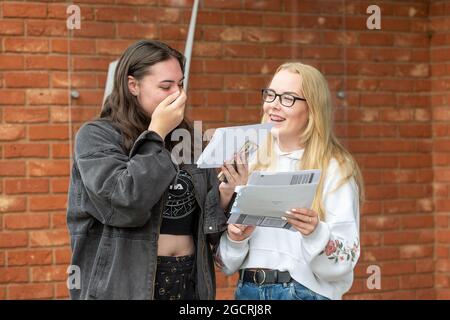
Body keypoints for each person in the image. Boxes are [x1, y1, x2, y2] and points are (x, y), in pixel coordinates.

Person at [66, 40, 228, 300]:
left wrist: (228, 191)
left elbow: (211, 224)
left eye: (181, 84)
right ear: (133, 85)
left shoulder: (190, 138)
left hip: (188, 280)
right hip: (125, 285)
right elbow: (125, 200)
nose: (178, 94)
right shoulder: (97, 135)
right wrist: (156, 133)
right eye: (166, 86)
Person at [217, 62, 364, 300]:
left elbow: (344, 261)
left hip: (305, 293)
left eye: (288, 98)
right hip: (248, 291)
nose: (273, 105)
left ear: (313, 109)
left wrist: (315, 232)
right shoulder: (248, 159)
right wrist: (235, 238)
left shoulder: (335, 167)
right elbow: (224, 263)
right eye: (271, 94)